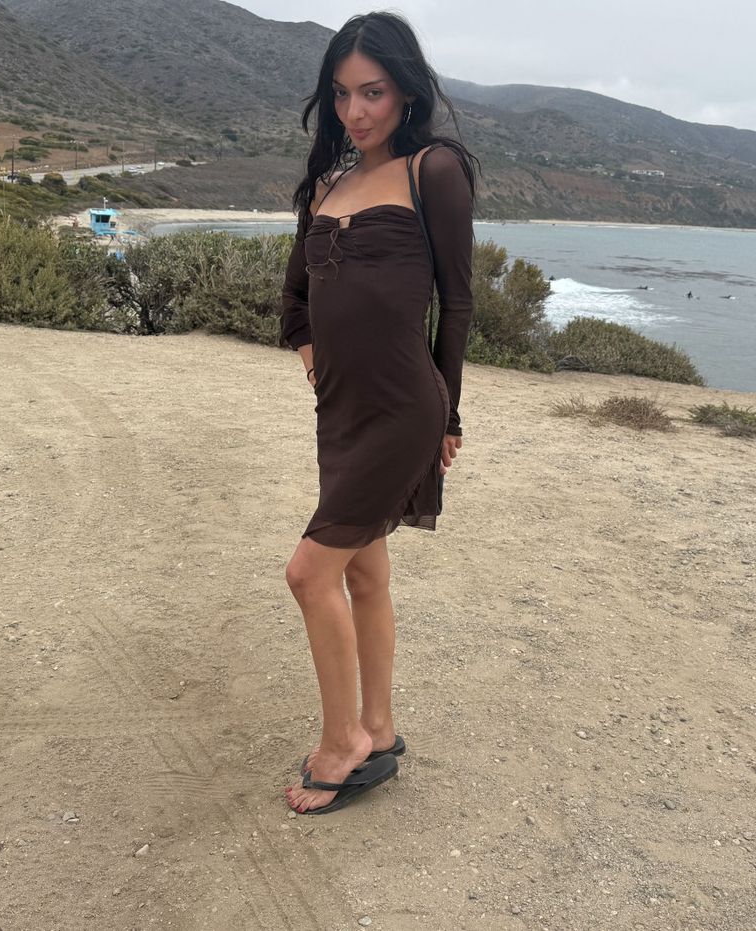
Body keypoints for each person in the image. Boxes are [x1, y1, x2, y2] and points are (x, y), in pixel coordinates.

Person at [278, 11, 480, 816]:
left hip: (403, 408)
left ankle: (342, 744)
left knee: (308, 572)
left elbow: (456, 305)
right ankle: (380, 727)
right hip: (341, 411)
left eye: (373, 92)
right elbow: (295, 302)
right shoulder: (326, 187)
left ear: (406, 93)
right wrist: (316, 361)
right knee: (362, 571)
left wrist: (450, 416)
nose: (355, 111)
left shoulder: (435, 170)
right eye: (341, 94)